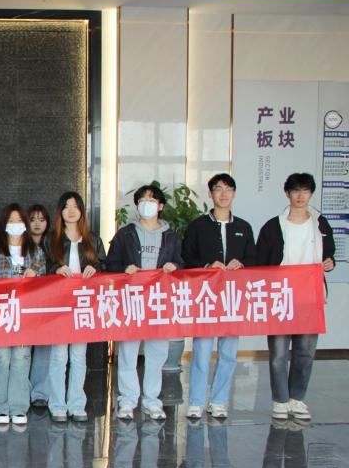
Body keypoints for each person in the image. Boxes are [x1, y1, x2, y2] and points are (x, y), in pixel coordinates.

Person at [255, 172, 336, 421]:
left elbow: (330, 253)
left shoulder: (320, 224)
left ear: (311, 194)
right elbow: (260, 261)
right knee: (279, 353)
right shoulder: (273, 226)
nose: (301, 196)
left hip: (310, 296)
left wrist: (330, 262)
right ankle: (280, 400)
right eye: (295, 191)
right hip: (281, 296)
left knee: (305, 352)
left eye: (305, 191)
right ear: (287, 194)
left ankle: (297, 398)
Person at [182, 173, 256, 420]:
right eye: (218, 189)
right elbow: (186, 257)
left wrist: (242, 263)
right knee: (202, 351)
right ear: (210, 193)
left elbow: (254, 258)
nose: (223, 194)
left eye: (228, 189)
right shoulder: (198, 226)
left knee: (229, 353)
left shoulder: (244, 227)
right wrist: (206, 265)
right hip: (206, 297)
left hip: (233, 298)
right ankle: (196, 401)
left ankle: (219, 401)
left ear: (234, 193)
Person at [106, 185, 183, 421]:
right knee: (128, 353)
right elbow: (110, 263)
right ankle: (127, 401)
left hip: (159, 302)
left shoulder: (171, 236)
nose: (146, 204)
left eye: (151, 200)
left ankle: (152, 400)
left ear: (161, 206)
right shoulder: (125, 234)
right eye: (142, 200)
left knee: (157, 353)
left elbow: (182, 263)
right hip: (132, 301)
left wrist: (175, 266)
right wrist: (124, 268)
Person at [47, 192, 106, 422]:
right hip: (59, 305)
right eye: (66, 206)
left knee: (79, 356)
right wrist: (55, 269)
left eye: (75, 206)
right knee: (58, 356)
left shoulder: (93, 239)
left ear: (82, 210)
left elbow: (105, 265)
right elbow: (43, 267)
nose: (71, 211)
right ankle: (57, 404)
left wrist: (96, 269)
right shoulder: (52, 239)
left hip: (83, 306)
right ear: (60, 211)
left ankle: (76, 404)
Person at [0, 203, 45, 425]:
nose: (15, 225)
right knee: (1, 358)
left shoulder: (35, 251)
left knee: (21, 358)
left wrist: (35, 276)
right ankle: (0, 406)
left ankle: (19, 407)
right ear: (3, 224)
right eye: (11, 221)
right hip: (1, 313)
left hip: (25, 315)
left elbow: (45, 282)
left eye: (19, 221)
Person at [27, 204, 53, 407]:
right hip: (23, 305)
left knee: (44, 349)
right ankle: (23, 390)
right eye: (33, 219)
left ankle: (40, 393)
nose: (37, 224)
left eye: (41, 220)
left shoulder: (53, 244)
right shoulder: (18, 244)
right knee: (22, 351)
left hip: (47, 304)